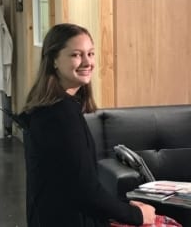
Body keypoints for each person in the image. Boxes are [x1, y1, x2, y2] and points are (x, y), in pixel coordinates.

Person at [19, 23, 156, 227]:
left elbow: (73, 181)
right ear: (54, 60)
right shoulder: (59, 114)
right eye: (76, 55)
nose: (87, 62)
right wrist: (135, 215)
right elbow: (84, 191)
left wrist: (123, 205)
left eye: (90, 54)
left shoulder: (55, 107)